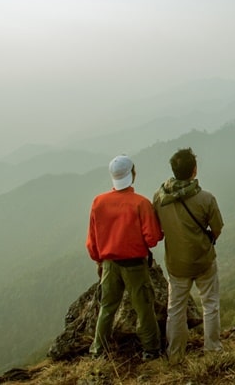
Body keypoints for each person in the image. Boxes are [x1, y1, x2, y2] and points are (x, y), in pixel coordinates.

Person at [85, 155, 163, 361]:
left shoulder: (98, 202)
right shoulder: (141, 204)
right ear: (133, 174)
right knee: (144, 308)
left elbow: (92, 240)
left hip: (109, 264)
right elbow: (153, 238)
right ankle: (151, 350)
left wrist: (98, 260)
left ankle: (98, 350)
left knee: (107, 307)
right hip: (135, 265)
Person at [153, 148, 224, 364]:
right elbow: (217, 228)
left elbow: (158, 230)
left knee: (175, 309)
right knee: (210, 303)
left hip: (176, 264)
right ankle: (212, 349)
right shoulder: (206, 198)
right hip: (203, 260)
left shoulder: (159, 198)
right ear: (194, 171)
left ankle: (175, 354)